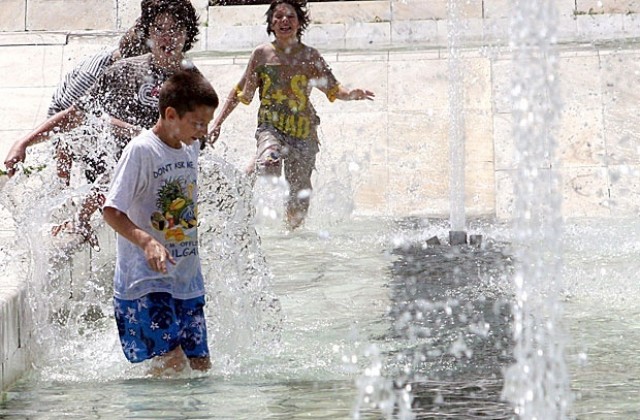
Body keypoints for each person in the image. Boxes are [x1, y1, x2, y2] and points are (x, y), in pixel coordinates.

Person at [3, 0, 201, 250]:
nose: (167, 37)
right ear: (149, 33)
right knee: (105, 161)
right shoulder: (124, 70)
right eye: (159, 29)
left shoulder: (193, 82)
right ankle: (78, 219)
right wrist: (24, 143)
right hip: (115, 166)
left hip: (164, 182)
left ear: (188, 33)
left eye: (175, 29)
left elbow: (193, 141)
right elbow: (78, 114)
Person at [208, 0, 374, 229]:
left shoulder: (310, 56)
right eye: (278, 17)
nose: (284, 21)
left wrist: (352, 94)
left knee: (299, 192)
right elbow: (239, 91)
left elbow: (334, 89)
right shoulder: (262, 54)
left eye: (290, 17)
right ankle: (248, 179)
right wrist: (218, 123)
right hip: (271, 127)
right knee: (269, 164)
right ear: (271, 24)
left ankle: (291, 238)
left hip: (304, 132)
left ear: (299, 22)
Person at [103, 69, 218, 375]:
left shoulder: (190, 146)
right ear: (170, 114)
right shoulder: (142, 151)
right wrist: (147, 241)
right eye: (197, 123)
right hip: (145, 283)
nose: (203, 131)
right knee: (172, 364)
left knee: (200, 366)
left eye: (206, 124)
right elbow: (111, 210)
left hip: (186, 281)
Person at [51, 21, 150, 185]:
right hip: (67, 113)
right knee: (101, 167)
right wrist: (135, 132)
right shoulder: (92, 74)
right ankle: (62, 193)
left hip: (104, 108)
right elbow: (79, 117)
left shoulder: (126, 67)